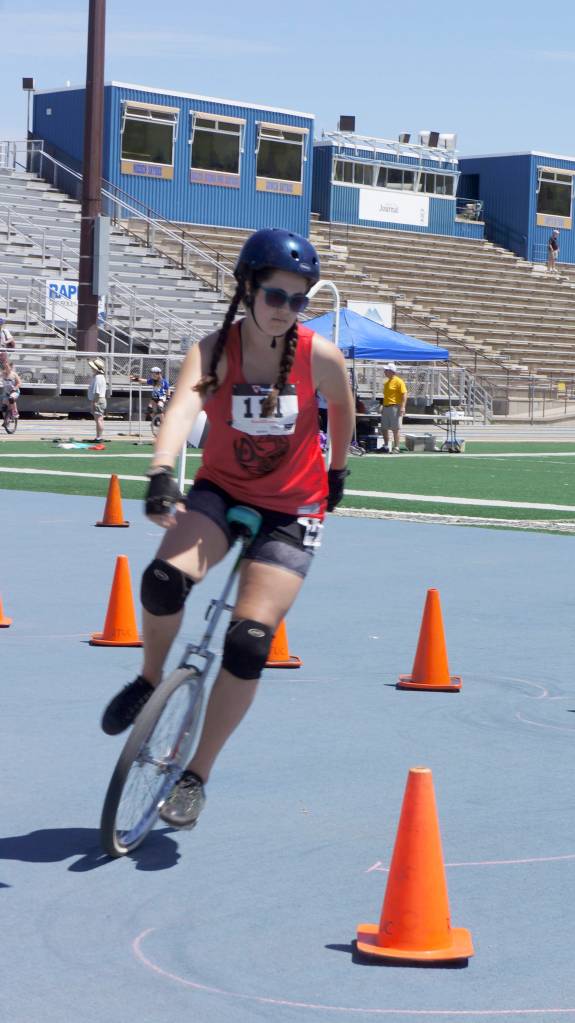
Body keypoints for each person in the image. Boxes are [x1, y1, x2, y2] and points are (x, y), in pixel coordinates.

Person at [101, 228, 355, 830]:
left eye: (298, 300)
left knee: (247, 643)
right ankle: (149, 678)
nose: (286, 311)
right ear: (246, 290)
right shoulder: (215, 350)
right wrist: (162, 472)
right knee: (163, 582)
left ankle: (196, 775)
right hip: (221, 491)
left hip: (292, 509)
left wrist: (337, 470)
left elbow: (342, 407)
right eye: (275, 296)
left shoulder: (321, 356)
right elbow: (182, 408)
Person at [381, 362, 407, 453]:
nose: (385, 371)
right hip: (386, 407)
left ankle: (396, 447)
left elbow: (404, 394)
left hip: (395, 407)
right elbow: (386, 396)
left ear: (392, 371)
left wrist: (403, 407)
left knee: (395, 429)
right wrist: (382, 406)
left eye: (386, 370)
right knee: (384, 428)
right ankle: (386, 446)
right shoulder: (387, 382)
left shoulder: (399, 381)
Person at [87, 357, 107, 443]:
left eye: (92, 367)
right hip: (100, 399)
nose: (91, 369)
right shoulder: (100, 377)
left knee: (98, 419)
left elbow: (97, 392)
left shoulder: (98, 378)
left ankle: (99, 437)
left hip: (98, 400)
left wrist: (93, 402)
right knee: (100, 419)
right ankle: (99, 436)